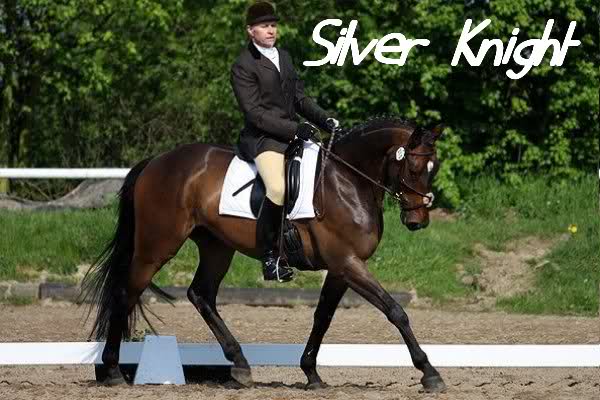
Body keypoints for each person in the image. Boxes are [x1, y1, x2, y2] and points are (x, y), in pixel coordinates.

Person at [230, 1, 339, 282]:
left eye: (273, 25)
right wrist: (295, 129)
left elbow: (299, 98)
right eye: (264, 26)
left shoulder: (284, 57)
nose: (271, 30)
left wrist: (324, 119)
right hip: (264, 139)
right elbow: (255, 114)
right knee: (277, 189)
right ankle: (269, 257)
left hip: (293, 134)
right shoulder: (243, 65)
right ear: (250, 31)